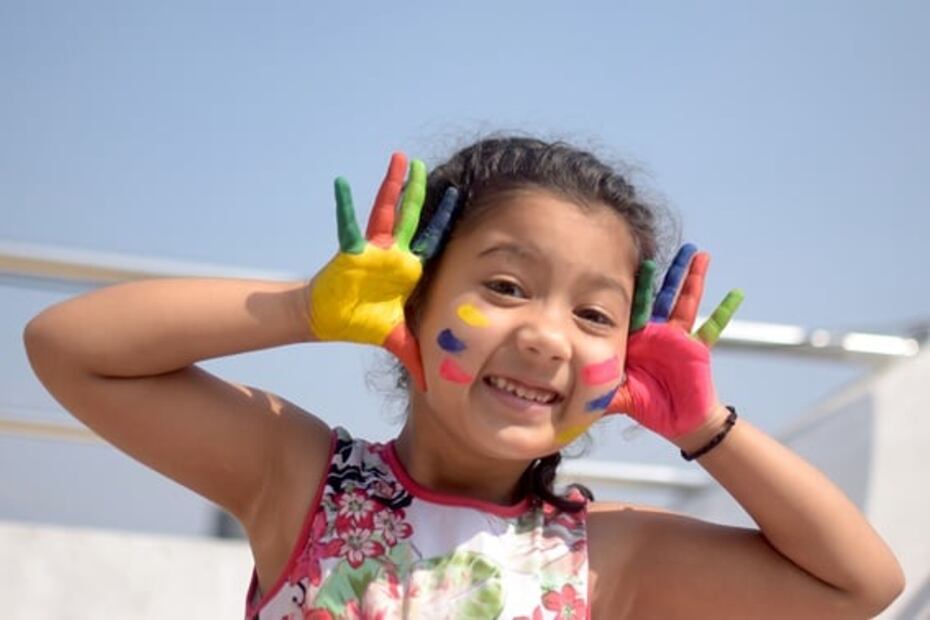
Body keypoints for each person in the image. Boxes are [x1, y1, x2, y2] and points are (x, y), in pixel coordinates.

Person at [23, 137, 904, 619]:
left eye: (594, 314)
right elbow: (68, 345)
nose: (548, 336)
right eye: (507, 288)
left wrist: (704, 425)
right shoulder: (301, 480)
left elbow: (859, 585)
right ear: (410, 303)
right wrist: (302, 310)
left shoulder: (606, 554)